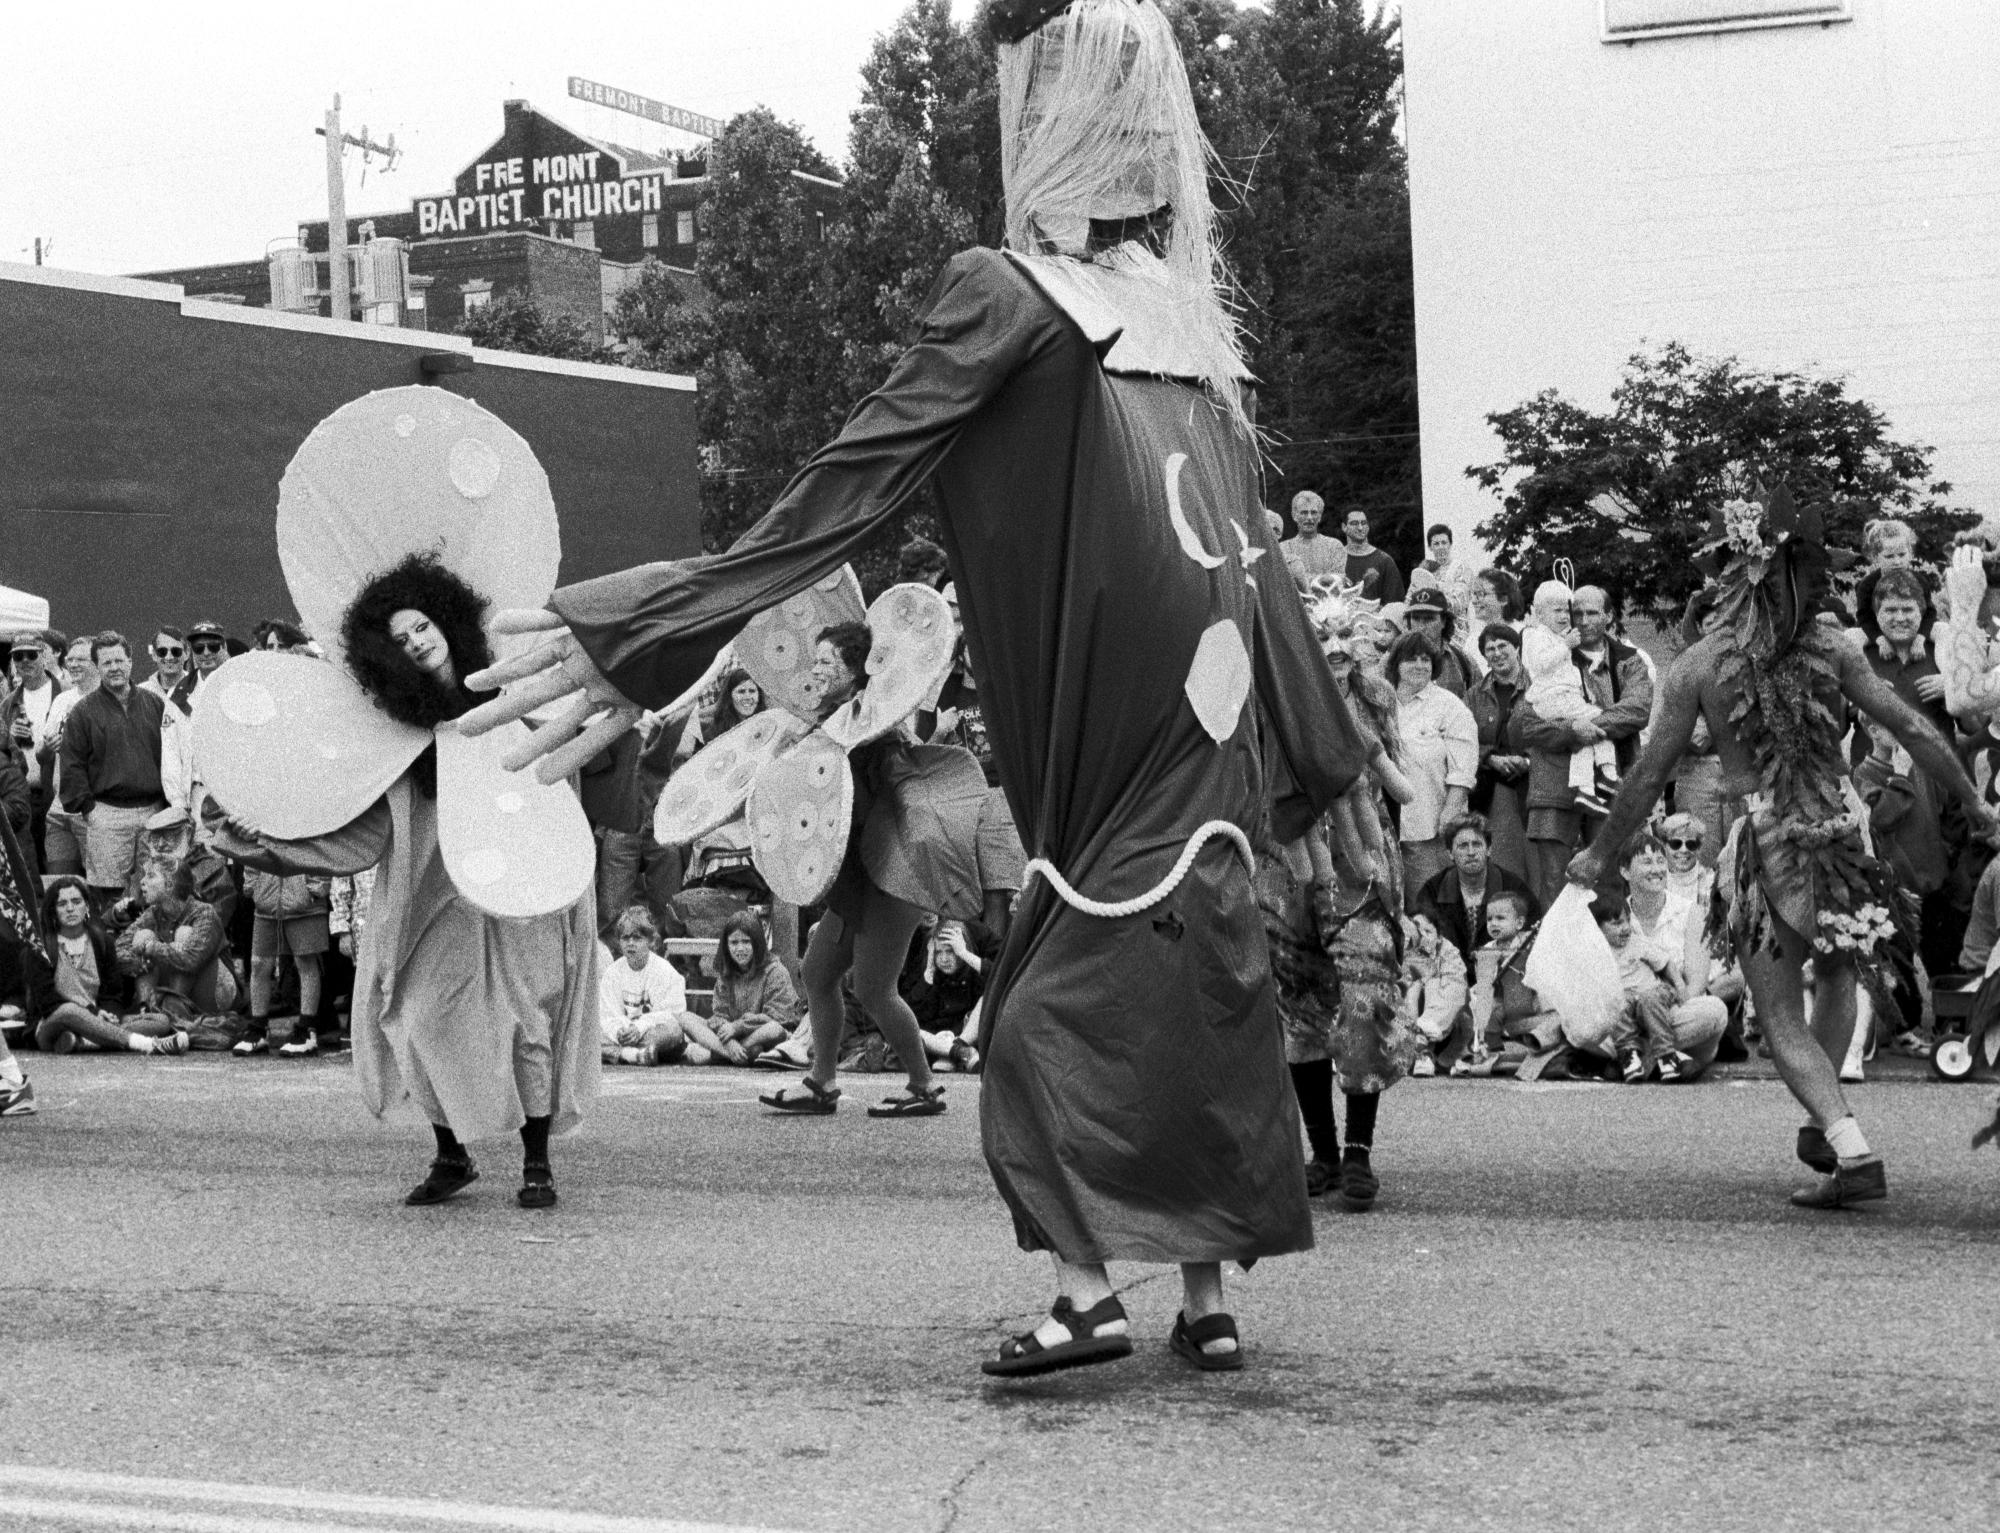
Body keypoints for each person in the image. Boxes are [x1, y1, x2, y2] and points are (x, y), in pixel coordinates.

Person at [462, 0, 1366, 1376]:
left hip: (1142, 773)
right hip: (1212, 767)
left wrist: (645, 624)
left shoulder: (1027, 296)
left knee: (1038, 1032)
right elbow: (1259, 584)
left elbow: (849, 482)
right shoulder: (1185, 335)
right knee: (1207, 1023)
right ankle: (1205, 1297)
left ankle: (1086, 1293)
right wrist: (1322, 761)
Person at [1567, 486, 1995, 1207]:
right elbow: (1919, 730)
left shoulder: (1702, 663)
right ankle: (1826, 1129)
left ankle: (1849, 1143)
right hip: (1843, 828)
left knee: (1779, 1017)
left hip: (1772, 840)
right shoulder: (1832, 646)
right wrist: (1978, 802)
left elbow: (1648, 772)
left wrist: (1600, 852)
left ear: (1733, 571)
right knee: (1835, 975)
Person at [212, 550, 601, 1212]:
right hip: (432, 903)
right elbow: (364, 838)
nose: (416, 641)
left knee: (526, 1020)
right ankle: (452, 1153)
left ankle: (537, 1162)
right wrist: (273, 850)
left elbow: (563, 784)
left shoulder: (509, 701)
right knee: (418, 1019)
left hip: (518, 897)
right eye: (399, 638)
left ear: (447, 621)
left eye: (421, 625)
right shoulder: (397, 739)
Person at [1258, 577, 1417, 1208]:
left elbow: (1399, 786)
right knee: (1300, 1009)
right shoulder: (1273, 704)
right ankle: (1320, 1153)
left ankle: (1358, 1152)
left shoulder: (1375, 706)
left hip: (1362, 873)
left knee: (1364, 1001)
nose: (1335, 649)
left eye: (1344, 637)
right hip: (1287, 868)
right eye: (1320, 639)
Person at [751, 624, 951, 1115]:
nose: (817, 670)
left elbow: (894, 809)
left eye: (828, 661)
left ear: (856, 671)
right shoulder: (829, 724)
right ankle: (822, 1081)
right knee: (817, 973)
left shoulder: (878, 731)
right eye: (816, 660)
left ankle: (924, 1087)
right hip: (855, 877)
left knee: (873, 989)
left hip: (890, 876)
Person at [59, 632, 168, 908]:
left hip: (152, 813)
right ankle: (111, 950)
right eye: (107, 663)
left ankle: (147, 949)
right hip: (106, 814)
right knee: (109, 899)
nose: (115, 668)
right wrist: (89, 810)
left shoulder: (154, 704)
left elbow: (171, 756)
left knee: (154, 892)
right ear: (97, 667)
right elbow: (71, 764)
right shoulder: (83, 711)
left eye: (120, 660)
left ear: (131, 662)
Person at [29, 876, 189, 1056]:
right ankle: (146, 1044)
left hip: (97, 1018)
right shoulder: (40, 947)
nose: (70, 908)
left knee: (160, 1020)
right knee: (69, 1010)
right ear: (53, 911)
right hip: (54, 1022)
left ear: (86, 906)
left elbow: (113, 994)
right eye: (62, 904)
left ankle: (84, 1042)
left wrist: (108, 1013)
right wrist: (94, 1013)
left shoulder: (102, 942)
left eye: (76, 901)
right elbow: (47, 1002)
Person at [1386, 631, 1478, 899]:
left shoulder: (1450, 706)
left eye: (1425, 659)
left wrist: (1449, 816)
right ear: (1396, 664)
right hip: (1384, 829)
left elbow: (1463, 771)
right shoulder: (1381, 701)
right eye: (1410, 659)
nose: (1419, 665)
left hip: (1428, 828)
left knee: (1428, 904)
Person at [1521, 581, 1617, 816]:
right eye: (1557, 611)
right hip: (1551, 700)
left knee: (1584, 737)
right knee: (1600, 719)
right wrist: (1566, 645)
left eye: (1566, 611)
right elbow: (1539, 665)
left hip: (1564, 697)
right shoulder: (1535, 635)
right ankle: (1609, 773)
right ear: (1540, 614)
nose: (1564, 616)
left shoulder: (1558, 636)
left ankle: (1585, 790)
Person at [114, 858, 238, 1022]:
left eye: (150, 876)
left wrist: (153, 948)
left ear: (170, 885)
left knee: (184, 934)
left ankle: (174, 1008)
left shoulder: (204, 912)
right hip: (168, 988)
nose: (142, 882)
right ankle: (145, 1009)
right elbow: (117, 950)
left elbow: (192, 959)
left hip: (214, 993)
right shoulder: (153, 913)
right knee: (143, 936)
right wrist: (140, 962)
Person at [1416, 813, 1538, 970]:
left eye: (1477, 844)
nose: (1471, 852)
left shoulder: (1514, 888)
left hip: (1499, 978)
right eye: (1463, 846)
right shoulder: (1432, 891)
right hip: (1449, 978)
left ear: (1489, 850)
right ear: (1450, 854)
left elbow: (1532, 943)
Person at [236, 862, 332, 1058]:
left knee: (305, 962)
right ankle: (258, 1028)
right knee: (259, 964)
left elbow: (323, 847)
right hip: (267, 901)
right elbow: (254, 850)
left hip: (305, 904)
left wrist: (314, 888)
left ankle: (306, 1029)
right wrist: (255, 887)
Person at [1589, 887, 1684, 1083]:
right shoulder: (1596, 953)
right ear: (1597, 929)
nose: (1625, 928)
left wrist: (1680, 986)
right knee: (1615, 1002)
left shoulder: (1636, 943)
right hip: (1626, 1000)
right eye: (1616, 924)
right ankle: (1629, 1054)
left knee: (1649, 998)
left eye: (1626, 921)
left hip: (1653, 992)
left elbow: (1665, 963)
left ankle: (1666, 1055)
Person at [1466, 623, 1533, 882]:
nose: (1496, 653)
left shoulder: (1540, 687)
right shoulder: (1473, 695)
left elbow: (1555, 733)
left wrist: (1528, 760)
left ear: (1517, 648)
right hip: (1493, 790)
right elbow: (1463, 741)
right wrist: (1490, 758)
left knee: (1537, 864)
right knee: (1504, 863)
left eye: (1502, 645)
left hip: (1534, 786)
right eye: (1489, 648)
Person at [600, 904, 692, 1066]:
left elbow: (672, 1013)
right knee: (589, 1033)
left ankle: (623, 1053)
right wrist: (619, 1031)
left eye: (637, 938)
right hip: (624, 1036)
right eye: (625, 938)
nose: (630, 943)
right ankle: (632, 1055)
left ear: (650, 940)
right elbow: (608, 1015)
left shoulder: (664, 970)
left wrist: (639, 1028)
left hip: (651, 1033)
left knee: (673, 1030)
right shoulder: (612, 972)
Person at [3, 629, 63, 864]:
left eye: (31, 655)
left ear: (44, 656)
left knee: (55, 867)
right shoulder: (8, 704)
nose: (25, 661)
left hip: (55, 796)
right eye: (18, 657)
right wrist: (10, 736)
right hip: (20, 797)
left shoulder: (65, 694)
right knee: (26, 867)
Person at [708, 911, 801, 1062]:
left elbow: (779, 1018)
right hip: (731, 1038)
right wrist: (730, 1042)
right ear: (726, 945)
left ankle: (723, 1054)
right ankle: (734, 1053)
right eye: (734, 943)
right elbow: (719, 1015)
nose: (740, 949)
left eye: (746, 942)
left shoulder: (775, 972)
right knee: (687, 1019)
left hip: (763, 1035)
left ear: (756, 943)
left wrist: (739, 1026)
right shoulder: (726, 973)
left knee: (774, 1029)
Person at [1401, 587, 1476, 698]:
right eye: (1416, 618)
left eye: (1429, 619)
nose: (1421, 626)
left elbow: (1480, 703)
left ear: (1443, 622)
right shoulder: (1394, 659)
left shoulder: (1462, 660)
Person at [1279, 490, 1346, 585]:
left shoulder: (1334, 546)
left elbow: (1340, 579)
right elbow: (1282, 581)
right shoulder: (1283, 549)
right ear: (1294, 516)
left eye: (1314, 512)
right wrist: (1322, 579)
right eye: (1304, 513)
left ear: (1320, 516)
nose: (1309, 517)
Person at [1337, 508, 1405, 602]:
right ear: (1344, 527)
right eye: (1354, 523)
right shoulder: (1335, 559)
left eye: (1364, 523)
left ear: (1368, 527)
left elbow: (1395, 604)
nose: (1360, 528)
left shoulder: (1384, 561)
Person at [139, 629, 189, 702]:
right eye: (162, 652)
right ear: (154, 655)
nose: (169, 657)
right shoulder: (141, 694)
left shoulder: (201, 690)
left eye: (176, 651)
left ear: (187, 653)